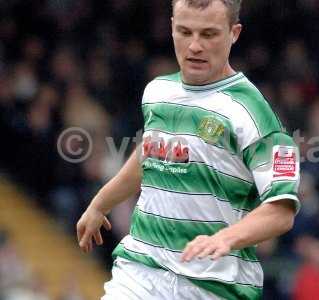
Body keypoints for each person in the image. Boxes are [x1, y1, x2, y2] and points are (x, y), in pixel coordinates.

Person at [76, 0, 301, 299]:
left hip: (213, 285)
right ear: (171, 28)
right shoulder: (157, 91)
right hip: (141, 271)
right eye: (185, 31)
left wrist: (225, 239)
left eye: (208, 34)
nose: (194, 46)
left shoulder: (253, 114)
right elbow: (150, 153)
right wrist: (100, 203)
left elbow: (281, 211)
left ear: (234, 33)